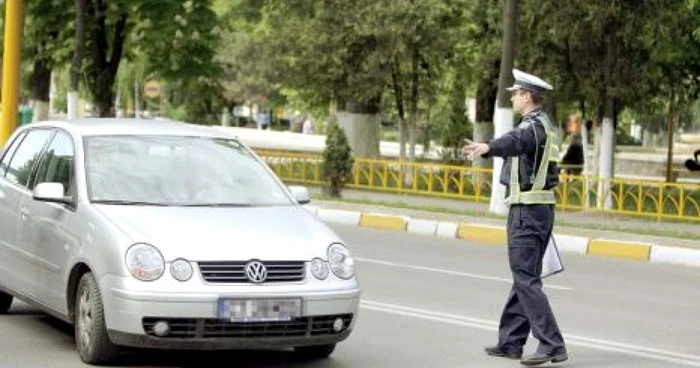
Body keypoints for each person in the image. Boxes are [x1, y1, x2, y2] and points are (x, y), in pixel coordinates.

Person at [462, 69, 568, 366]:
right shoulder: (542, 124)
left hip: (528, 212)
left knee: (526, 279)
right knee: (524, 278)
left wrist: (488, 147)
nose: (512, 98)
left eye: (515, 94)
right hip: (536, 210)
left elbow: (516, 141)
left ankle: (552, 343)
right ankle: (511, 342)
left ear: (526, 96)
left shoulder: (533, 127)